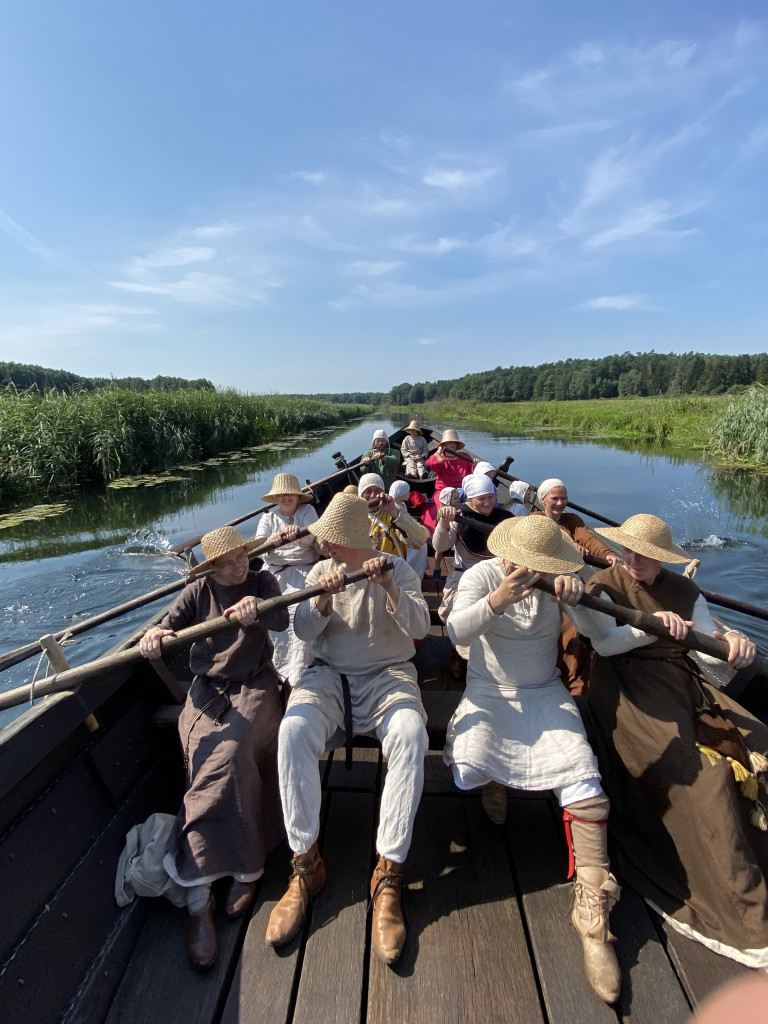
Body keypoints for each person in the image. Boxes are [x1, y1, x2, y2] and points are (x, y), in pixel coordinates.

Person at [567, 514, 768, 968]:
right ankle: (737, 905)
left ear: (661, 557)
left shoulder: (684, 589)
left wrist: (733, 644)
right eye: (630, 550)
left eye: (645, 554)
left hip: (682, 678)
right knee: (705, 776)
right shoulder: (603, 583)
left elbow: (707, 648)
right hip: (625, 684)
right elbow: (604, 645)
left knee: (761, 744)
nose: (634, 559)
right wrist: (652, 625)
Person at [443, 515, 621, 1003]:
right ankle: (495, 784)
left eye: (541, 564)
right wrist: (498, 600)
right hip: (490, 687)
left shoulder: (560, 581)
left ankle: (592, 914)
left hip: (544, 690)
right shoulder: (480, 575)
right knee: (467, 765)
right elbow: (457, 631)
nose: (531, 570)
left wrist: (576, 601)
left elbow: (600, 636)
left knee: (585, 778)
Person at [265, 492, 430, 965]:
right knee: (292, 731)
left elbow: (420, 625)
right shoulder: (321, 572)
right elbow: (301, 631)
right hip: (330, 676)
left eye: (334, 541)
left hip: (388, 675)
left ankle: (389, 871)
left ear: (355, 540)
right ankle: (305, 864)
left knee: (410, 734)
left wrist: (390, 591)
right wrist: (321, 600)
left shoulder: (397, 569)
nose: (326, 548)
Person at [139, 526, 289, 969]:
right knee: (203, 758)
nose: (238, 566)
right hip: (208, 693)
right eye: (228, 563)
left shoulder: (261, 580)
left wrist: (258, 611)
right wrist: (155, 635)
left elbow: (282, 621)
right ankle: (200, 895)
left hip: (257, 686)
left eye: (241, 556)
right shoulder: (197, 590)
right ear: (211, 568)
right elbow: (167, 624)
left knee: (234, 750)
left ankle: (247, 867)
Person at [530, 478, 620, 696]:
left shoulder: (572, 519)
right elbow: (545, 545)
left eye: (564, 498)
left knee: (589, 620)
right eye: (555, 498)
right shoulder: (535, 520)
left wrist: (608, 554)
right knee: (569, 626)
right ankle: (568, 679)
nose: (560, 503)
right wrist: (570, 546)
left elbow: (588, 540)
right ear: (543, 500)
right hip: (544, 581)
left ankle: (583, 679)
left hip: (572, 581)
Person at [432, 474, 513, 677]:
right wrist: (444, 523)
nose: (487, 503)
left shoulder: (505, 518)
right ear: (470, 499)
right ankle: (461, 654)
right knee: (464, 611)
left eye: (490, 497)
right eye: (481, 498)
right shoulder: (459, 516)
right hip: (468, 574)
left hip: (500, 573)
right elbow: (440, 546)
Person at [254, 473, 319, 686]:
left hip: (304, 571)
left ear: (297, 496)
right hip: (276, 573)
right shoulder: (268, 518)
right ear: (275, 498)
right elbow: (259, 547)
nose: (286, 497)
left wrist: (298, 535)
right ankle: (277, 669)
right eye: (281, 494)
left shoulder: (307, 511)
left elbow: (314, 537)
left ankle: (301, 669)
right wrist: (270, 543)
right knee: (273, 615)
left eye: (290, 493)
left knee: (301, 614)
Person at [357, 472, 430, 561]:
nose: (373, 495)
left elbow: (420, 540)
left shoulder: (392, 512)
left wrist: (394, 512)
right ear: (360, 494)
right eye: (368, 491)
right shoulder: (356, 518)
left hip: (394, 570)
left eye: (377, 491)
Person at [390, 479, 429, 581]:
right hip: (401, 538)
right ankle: (411, 571)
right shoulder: (394, 508)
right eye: (407, 491)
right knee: (421, 547)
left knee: (423, 545)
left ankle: (419, 570)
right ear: (400, 493)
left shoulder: (402, 505)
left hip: (407, 533)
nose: (409, 493)